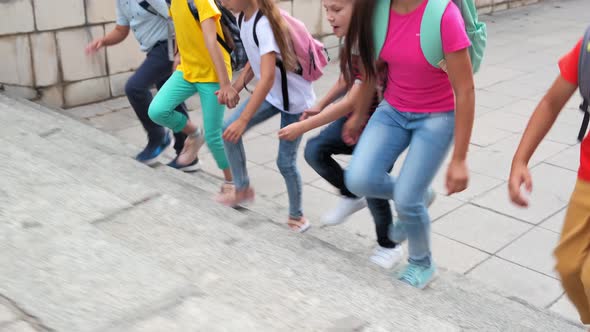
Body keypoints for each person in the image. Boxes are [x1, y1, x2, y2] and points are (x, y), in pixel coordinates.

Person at [278, 0, 434, 268]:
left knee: (371, 184)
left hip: (383, 127)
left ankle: (389, 245)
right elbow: (346, 79)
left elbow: (353, 99)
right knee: (315, 151)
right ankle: (351, 194)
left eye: (336, 10)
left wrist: (301, 127)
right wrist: (320, 105)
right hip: (355, 122)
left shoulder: (370, 40)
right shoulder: (349, 37)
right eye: (326, 9)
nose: (329, 16)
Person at [342, 0, 475, 288]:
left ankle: (421, 262)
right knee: (357, 179)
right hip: (393, 109)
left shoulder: (443, 16)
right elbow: (371, 70)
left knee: (405, 199)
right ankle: (417, 196)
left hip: (437, 117)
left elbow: (465, 90)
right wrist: (358, 115)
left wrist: (460, 159)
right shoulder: (377, 12)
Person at [509, 36, 590, 325]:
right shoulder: (588, 46)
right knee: (569, 267)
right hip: (588, 178)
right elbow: (550, 102)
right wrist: (520, 159)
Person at [215, 0, 316, 233]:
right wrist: (235, 88)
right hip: (272, 96)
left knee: (285, 162)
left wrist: (243, 120)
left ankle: (297, 216)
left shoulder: (264, 25)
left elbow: (268, 76)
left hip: (295, 102)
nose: (222, 2)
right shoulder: (243, 17)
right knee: (228, 132)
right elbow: (255, 59)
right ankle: (242, 189)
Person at [86, 0, 191, 169]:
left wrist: (179, 53)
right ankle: (186, 156)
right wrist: (103, 41)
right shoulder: (121, 2)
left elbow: (177, 17)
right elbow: (121, 30)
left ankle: (158, 137)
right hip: (155, 51)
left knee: (135, 88)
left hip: (168, 48)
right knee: (171, 102)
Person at [148, 0, 237, 188]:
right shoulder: (173, 2)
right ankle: (195, 134)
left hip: (212, 75)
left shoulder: (201, 1)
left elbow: (211, 41)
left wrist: (226, 84)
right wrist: (179, 54)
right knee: (157, 110)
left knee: (214, 137)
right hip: (187, 71)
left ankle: (234, 182)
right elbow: (182, 29)